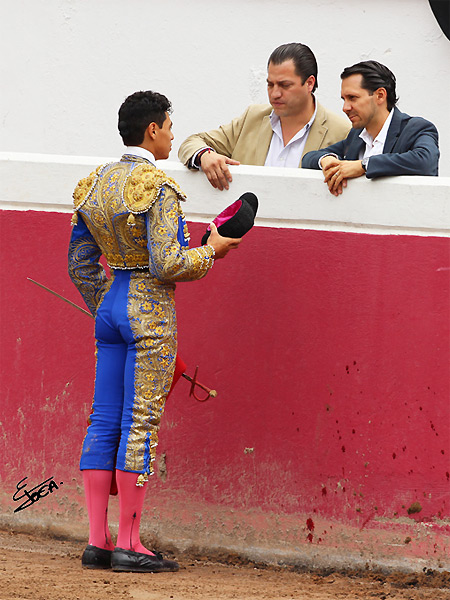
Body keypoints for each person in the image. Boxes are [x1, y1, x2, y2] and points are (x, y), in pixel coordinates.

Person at [68, 91, 241, 573]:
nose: (171, 134)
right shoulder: (158, 187)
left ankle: (97, 541)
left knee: (104, 419)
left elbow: (80, 264)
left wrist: (106, 308)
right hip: (149, 312)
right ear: (153, 130)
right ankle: (129, 543)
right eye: (168, 126)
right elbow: (168, 263)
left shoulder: (94, 183)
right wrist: (212, 251)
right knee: (139, 421)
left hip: (110, 309)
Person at [178, 42, 350, 190]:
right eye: (270, 84)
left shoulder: (342, 132)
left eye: (285, 85)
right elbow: (192, 142)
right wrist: (205, 155)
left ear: (309, 83)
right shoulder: (252, 118)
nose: (275, 94)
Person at [302, 60, 440, 196]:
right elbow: (308, 158)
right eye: (344, 99)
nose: (345, 108)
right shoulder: (356, 136)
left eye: (352, 98)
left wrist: (363, 166)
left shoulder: (417, 128)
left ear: (380, 95)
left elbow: (426, 162)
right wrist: (327, 160)